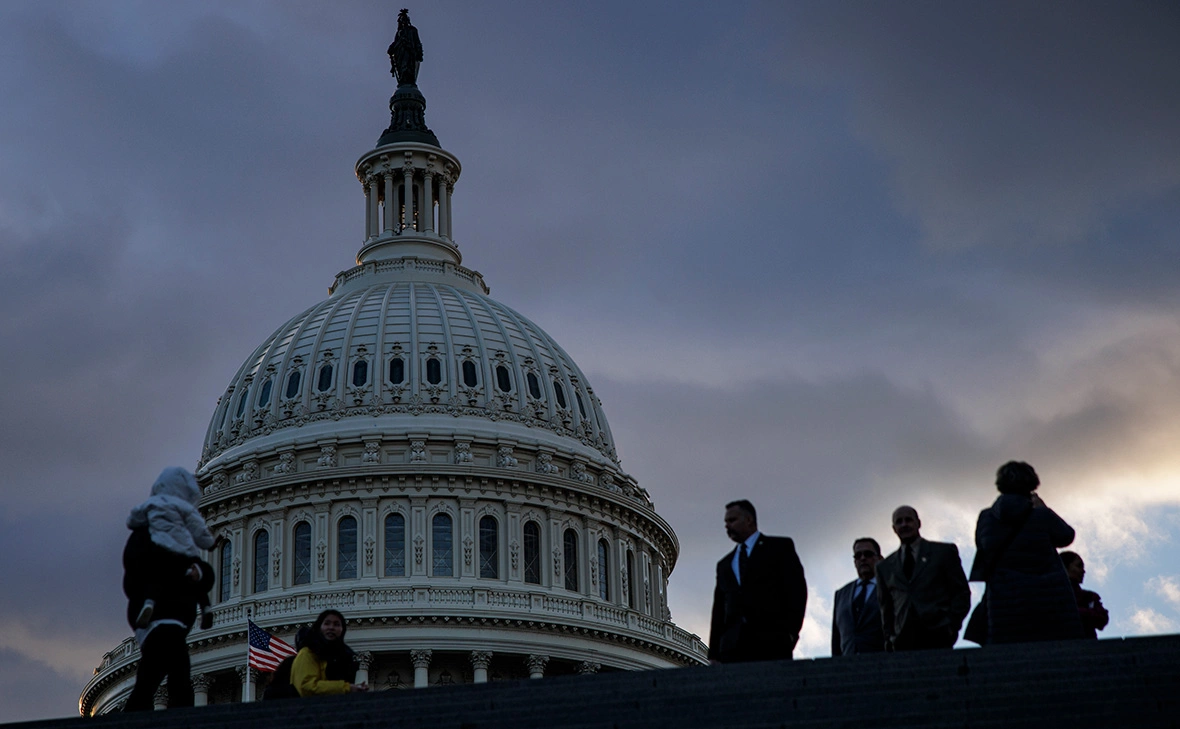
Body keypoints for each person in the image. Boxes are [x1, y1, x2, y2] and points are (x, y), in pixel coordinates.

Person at [121, 467, 217, 711]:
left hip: (176, 614)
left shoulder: (181, 539)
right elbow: (134, 569)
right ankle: (174, 713)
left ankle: (140, 711)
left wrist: (198, 573)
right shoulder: (146, 535)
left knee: (159, 668)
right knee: (174, 666)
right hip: (155, 614)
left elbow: (204, 572)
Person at [967, 462, 1083, 644]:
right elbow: (1066, 536)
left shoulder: (986, 517)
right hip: (1048, 598)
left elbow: (982, 546)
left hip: (1003, 600)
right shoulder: (1040, 515)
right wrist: (1043, 509)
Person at [708, 500, 807, 664]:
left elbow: (796, 591)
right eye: (725, 522)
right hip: (732, 650)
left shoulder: (779, 548)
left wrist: (791, 633)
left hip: (772, 643)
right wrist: (714, 653)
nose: (727, 526)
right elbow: (719, 609)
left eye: (732, 520)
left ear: (749, 520)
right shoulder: (724, 564)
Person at [876, 505, 971, 651]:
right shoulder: (885, 567)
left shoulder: (943, 553)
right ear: (894, 528)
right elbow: (886, 606)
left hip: (938, 634)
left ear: (918, 523)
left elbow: (961, 592)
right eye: (899, 522)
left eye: (908, 520)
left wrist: (951, 625)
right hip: (902, 640)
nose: (904, 525)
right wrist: (890, 637)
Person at [291, 610, 368, 696]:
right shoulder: (307, 653)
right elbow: (306, 686)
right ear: (319, 627)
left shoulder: (344, 656)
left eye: (336, 624)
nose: (331, 627)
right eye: (327, 623)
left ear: (343, 630)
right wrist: (346, 688)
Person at [831, 537, 886, 656]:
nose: (863, 558)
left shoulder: (889, 588)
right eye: (858, 556)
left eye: (868, 554)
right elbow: (837, 637)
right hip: (848, 663)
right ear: (854, 562)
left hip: (881, 661)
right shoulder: (841, 594)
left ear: (880, 559)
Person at [1060, 550, 1109, 639]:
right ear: (1065, 567)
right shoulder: (1050, 593)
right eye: (1079, 566)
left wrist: (1072, 611)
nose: (1083, 571)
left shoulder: (1089, 596)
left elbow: (1102, 618)